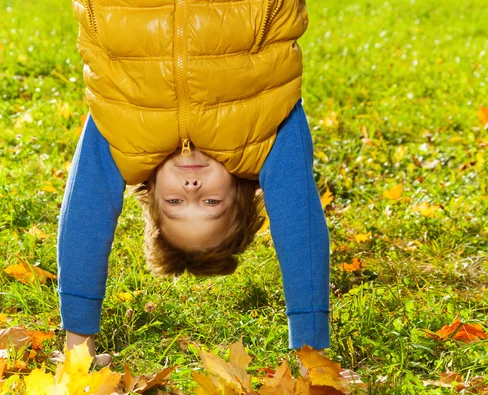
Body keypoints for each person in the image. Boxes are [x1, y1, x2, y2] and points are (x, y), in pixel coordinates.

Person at [57, 0, 330, 364]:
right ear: (240, 191)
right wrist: (312, 356)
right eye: (211, 204)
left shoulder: (125, 135)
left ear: (152, 194)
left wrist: (78, 347)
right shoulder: (263, 134)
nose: (191, 191)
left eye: (175, 205)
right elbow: (300, 225)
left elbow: (85, 218)